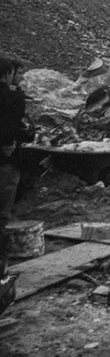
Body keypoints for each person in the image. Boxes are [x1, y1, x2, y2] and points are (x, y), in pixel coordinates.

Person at [1, 58, 34, 279]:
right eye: (16, 73)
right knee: (2, 213)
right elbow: (11, 128)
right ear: (8, 73)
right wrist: (28, 133)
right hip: (4, 161)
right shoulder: (12, 97)